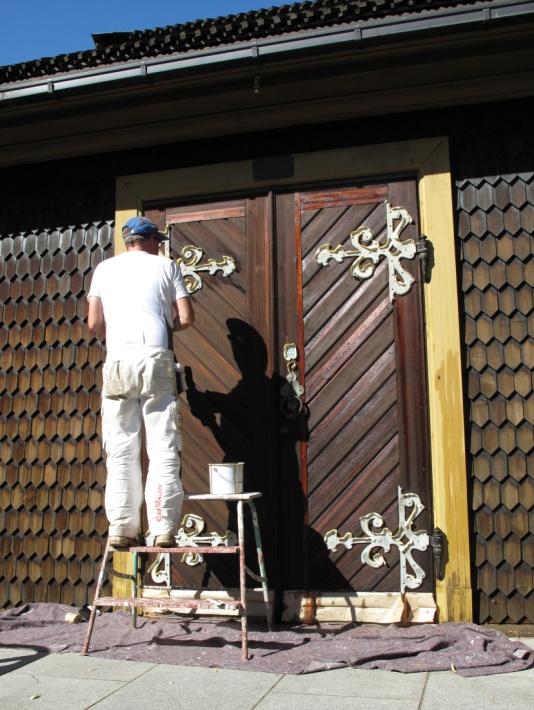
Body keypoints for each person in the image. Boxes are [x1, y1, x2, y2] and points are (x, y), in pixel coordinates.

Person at [87, 216, 194, 549]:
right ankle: (163, 528)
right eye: (157, 240)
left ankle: (122, 527)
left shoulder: (104, 269)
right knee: (162, 445)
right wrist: (165, 327)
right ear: (148, 240)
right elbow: (187, 318)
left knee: (120, 447)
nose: (159, 245)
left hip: (118, 360)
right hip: (155, 358)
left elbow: (94, 323)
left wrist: (116, 338)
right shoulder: (166, 267)